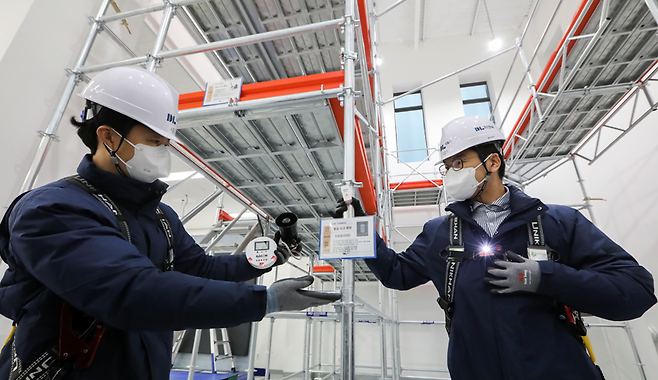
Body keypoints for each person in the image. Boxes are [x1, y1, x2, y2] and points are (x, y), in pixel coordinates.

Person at [0, 67, 340, 380]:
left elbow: (200, 268)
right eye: (153, 142)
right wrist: (263, 301)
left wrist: (259, 262)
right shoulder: (53, 209)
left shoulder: (159, 216)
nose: (162, 153)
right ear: (109, 137)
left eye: (165, 143)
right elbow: (133, 292)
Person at [331, 116, 656, 380]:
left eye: (459, 162)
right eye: (447, 166)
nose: (451, 174)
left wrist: (544, 277)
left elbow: (635, 290)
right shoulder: (440, 232)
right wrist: (363, 231)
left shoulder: (557, 222)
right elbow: (396, 273)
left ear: (493, 161)